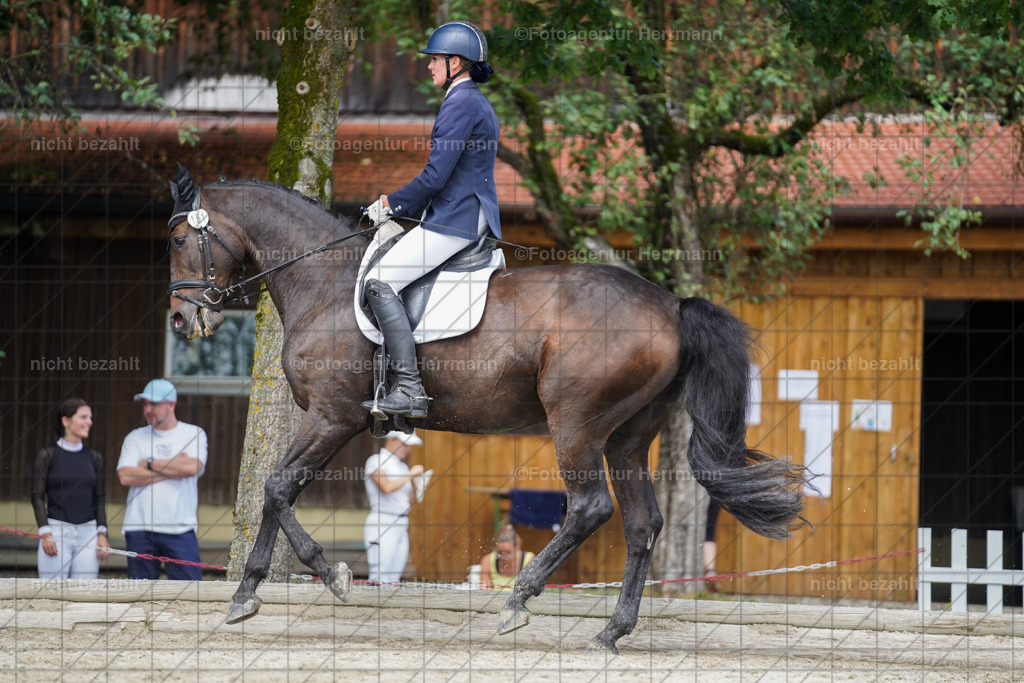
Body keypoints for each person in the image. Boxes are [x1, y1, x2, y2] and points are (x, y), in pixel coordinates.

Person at [360, 20, 499, 420]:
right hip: (463, 214)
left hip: (457, 219)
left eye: (435, 59)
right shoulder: (473, 101)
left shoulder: (460, 102)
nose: (429, 66)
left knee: (379, 281)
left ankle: (408, 388)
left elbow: (435, 177)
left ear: (456, 62)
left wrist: (390, 204)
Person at [116, 379, 207, 580]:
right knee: (142, 596)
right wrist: (174, 468)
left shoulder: (193, 434)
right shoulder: (135, 437)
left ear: (171, 404)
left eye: (154, 404)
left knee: (190, 593)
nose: (148, 409)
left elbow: (192, 467)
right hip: (139, 527)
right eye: (145, 404)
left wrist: (148, 462)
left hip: (180, 527)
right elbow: (125, 476)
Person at [31, 398, 110, 578]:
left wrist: (102, 533)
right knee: (52, 595)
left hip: (88, 533)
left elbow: (99, 498)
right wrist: (45, 531)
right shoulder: (47, 456)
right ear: (66, 421)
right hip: (56, 532)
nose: (89, 422)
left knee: (85, 594)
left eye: (90, 417)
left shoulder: (94, 458)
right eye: (83, 417)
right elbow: (36, 496)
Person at [363, 430, 425, 584]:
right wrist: (410, 475)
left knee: (394, 577)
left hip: (401, 522)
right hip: (382, 520)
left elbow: (406, 501)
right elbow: (387, 487)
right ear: (391, 438)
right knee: (380, 575)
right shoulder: (376, 460)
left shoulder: (402, 467)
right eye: (404, 444)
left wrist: (418, 487)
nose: (407, 448)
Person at [479, 524, 534, 590]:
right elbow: (484, 592)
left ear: (518, 546)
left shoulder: (530, 560)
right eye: (499, 552)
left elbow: (532, 591)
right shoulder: (487, 560)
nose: (504, 557)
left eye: (508, 552)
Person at [702, 499, 722, 593]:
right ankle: (710, 570)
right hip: (714, 493)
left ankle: (710, 571)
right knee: (709, 532)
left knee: (708, 532)